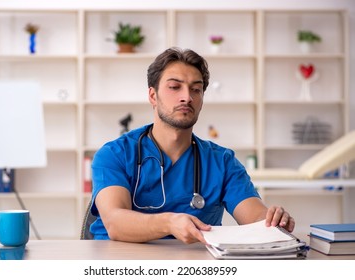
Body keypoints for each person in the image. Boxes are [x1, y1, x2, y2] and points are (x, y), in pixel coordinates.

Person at [90, 47, 295, 244]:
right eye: (174, 87)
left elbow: (254, 217)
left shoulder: (222, 162)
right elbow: (115, 222)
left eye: (196, 89)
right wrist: (170, 223)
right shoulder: (115, 154)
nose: (186, 97)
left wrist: (272, 221)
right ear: (153, 96)